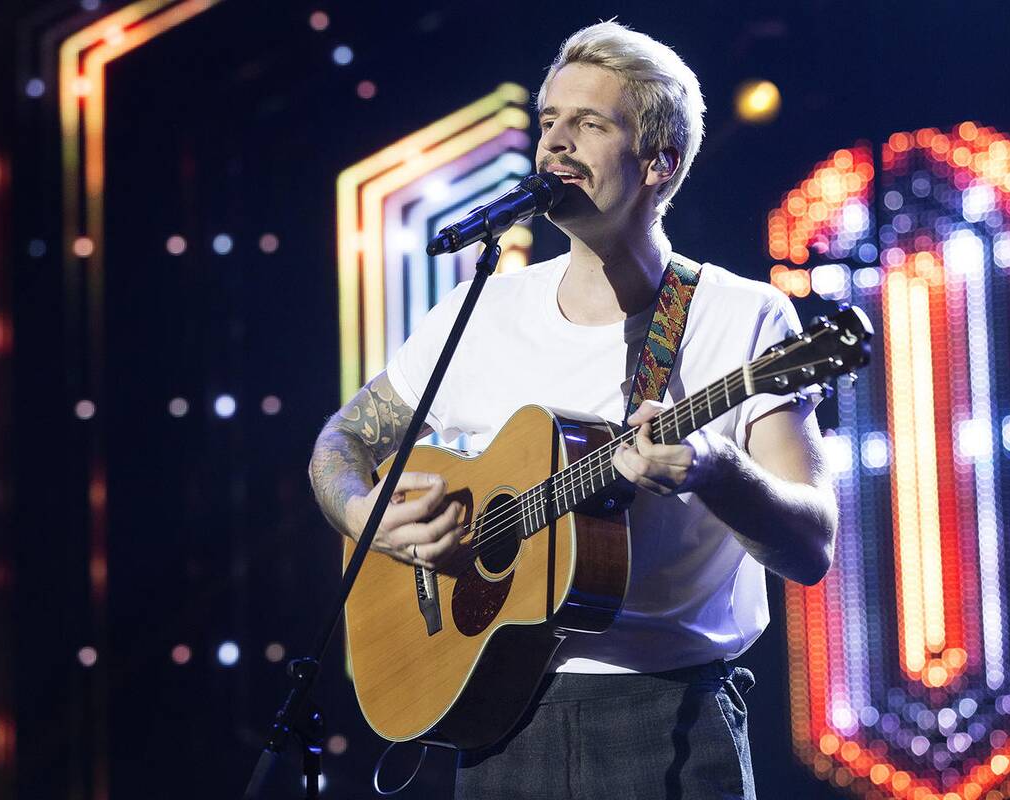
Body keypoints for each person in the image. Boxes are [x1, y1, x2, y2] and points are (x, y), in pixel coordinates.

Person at [309, 21, 837, 800]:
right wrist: (365, 515)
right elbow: (344, 440)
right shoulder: (482, 309)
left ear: (659, 162)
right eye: (548, 121)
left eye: (588, 124)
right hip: (492, 713)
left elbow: (811, 547)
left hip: (668, 719)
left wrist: (716, 470)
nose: (554, 143)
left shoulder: (744, 317)